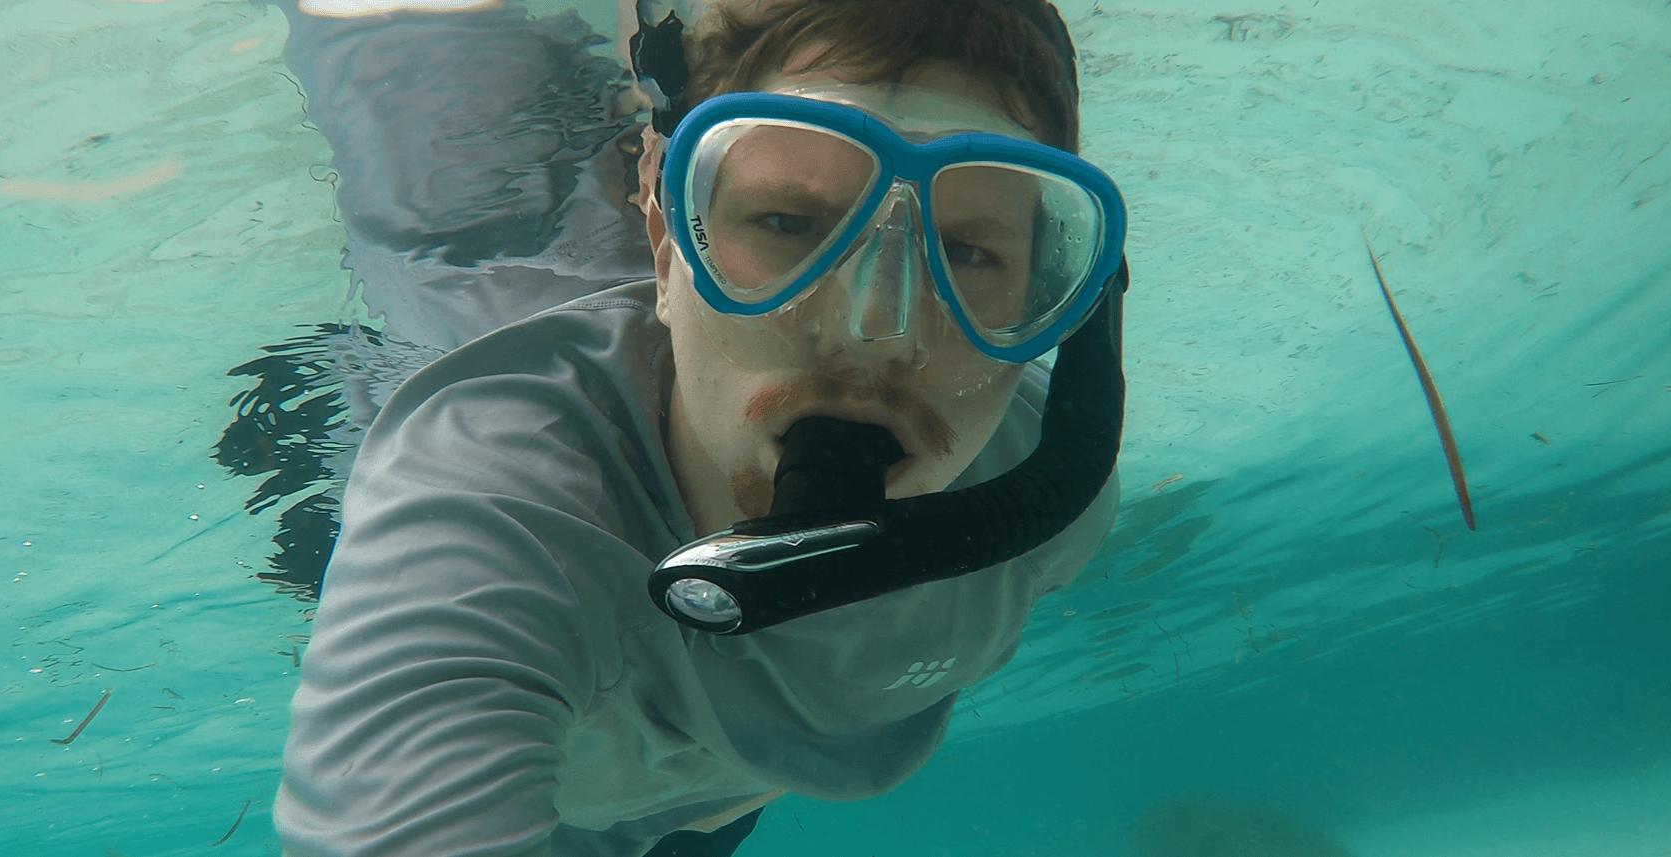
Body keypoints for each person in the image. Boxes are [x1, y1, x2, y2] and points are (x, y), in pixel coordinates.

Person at [270, 1, 1129, 855]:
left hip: (705, 812)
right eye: (788, 223)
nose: (874, 332)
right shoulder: (496, 512)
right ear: (662, 232)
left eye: (969, 252)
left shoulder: (1049, 499)